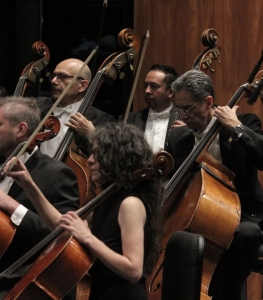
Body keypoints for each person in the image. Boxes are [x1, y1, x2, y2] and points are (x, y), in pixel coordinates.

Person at [4, 122, 163, 300]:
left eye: (97, 153)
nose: (90, 159)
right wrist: (28, 184)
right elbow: (61, 227)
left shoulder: (130, 204)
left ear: (117, 157)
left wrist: (87, 237)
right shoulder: (107, 199)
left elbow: (133, 269)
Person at [167, 69, 263, 299]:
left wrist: (235, 127)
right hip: (197, 214)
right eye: (178, 108)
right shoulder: (178, 138)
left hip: (242, 213)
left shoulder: (244, 123)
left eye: (187, 108)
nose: (182, 116)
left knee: (246, 234)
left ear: (208, 102)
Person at [0, 96, 79, 298]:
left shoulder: (57, 173)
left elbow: (63, 236)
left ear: (20, 129)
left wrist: (13, 207)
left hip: (20, 279)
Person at [37, 58, 115, 157]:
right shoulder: (36, 107)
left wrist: (92, 133)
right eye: (53, 76)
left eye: (62, 76)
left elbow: (112, 157)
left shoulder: (103, 120)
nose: (53, 81)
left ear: (82, 85)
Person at [126, 64, 179, 154]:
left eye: (154, 86)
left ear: (170, 92)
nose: (147, 90)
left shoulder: (185, 120)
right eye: (146, 85)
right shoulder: (130, 119)